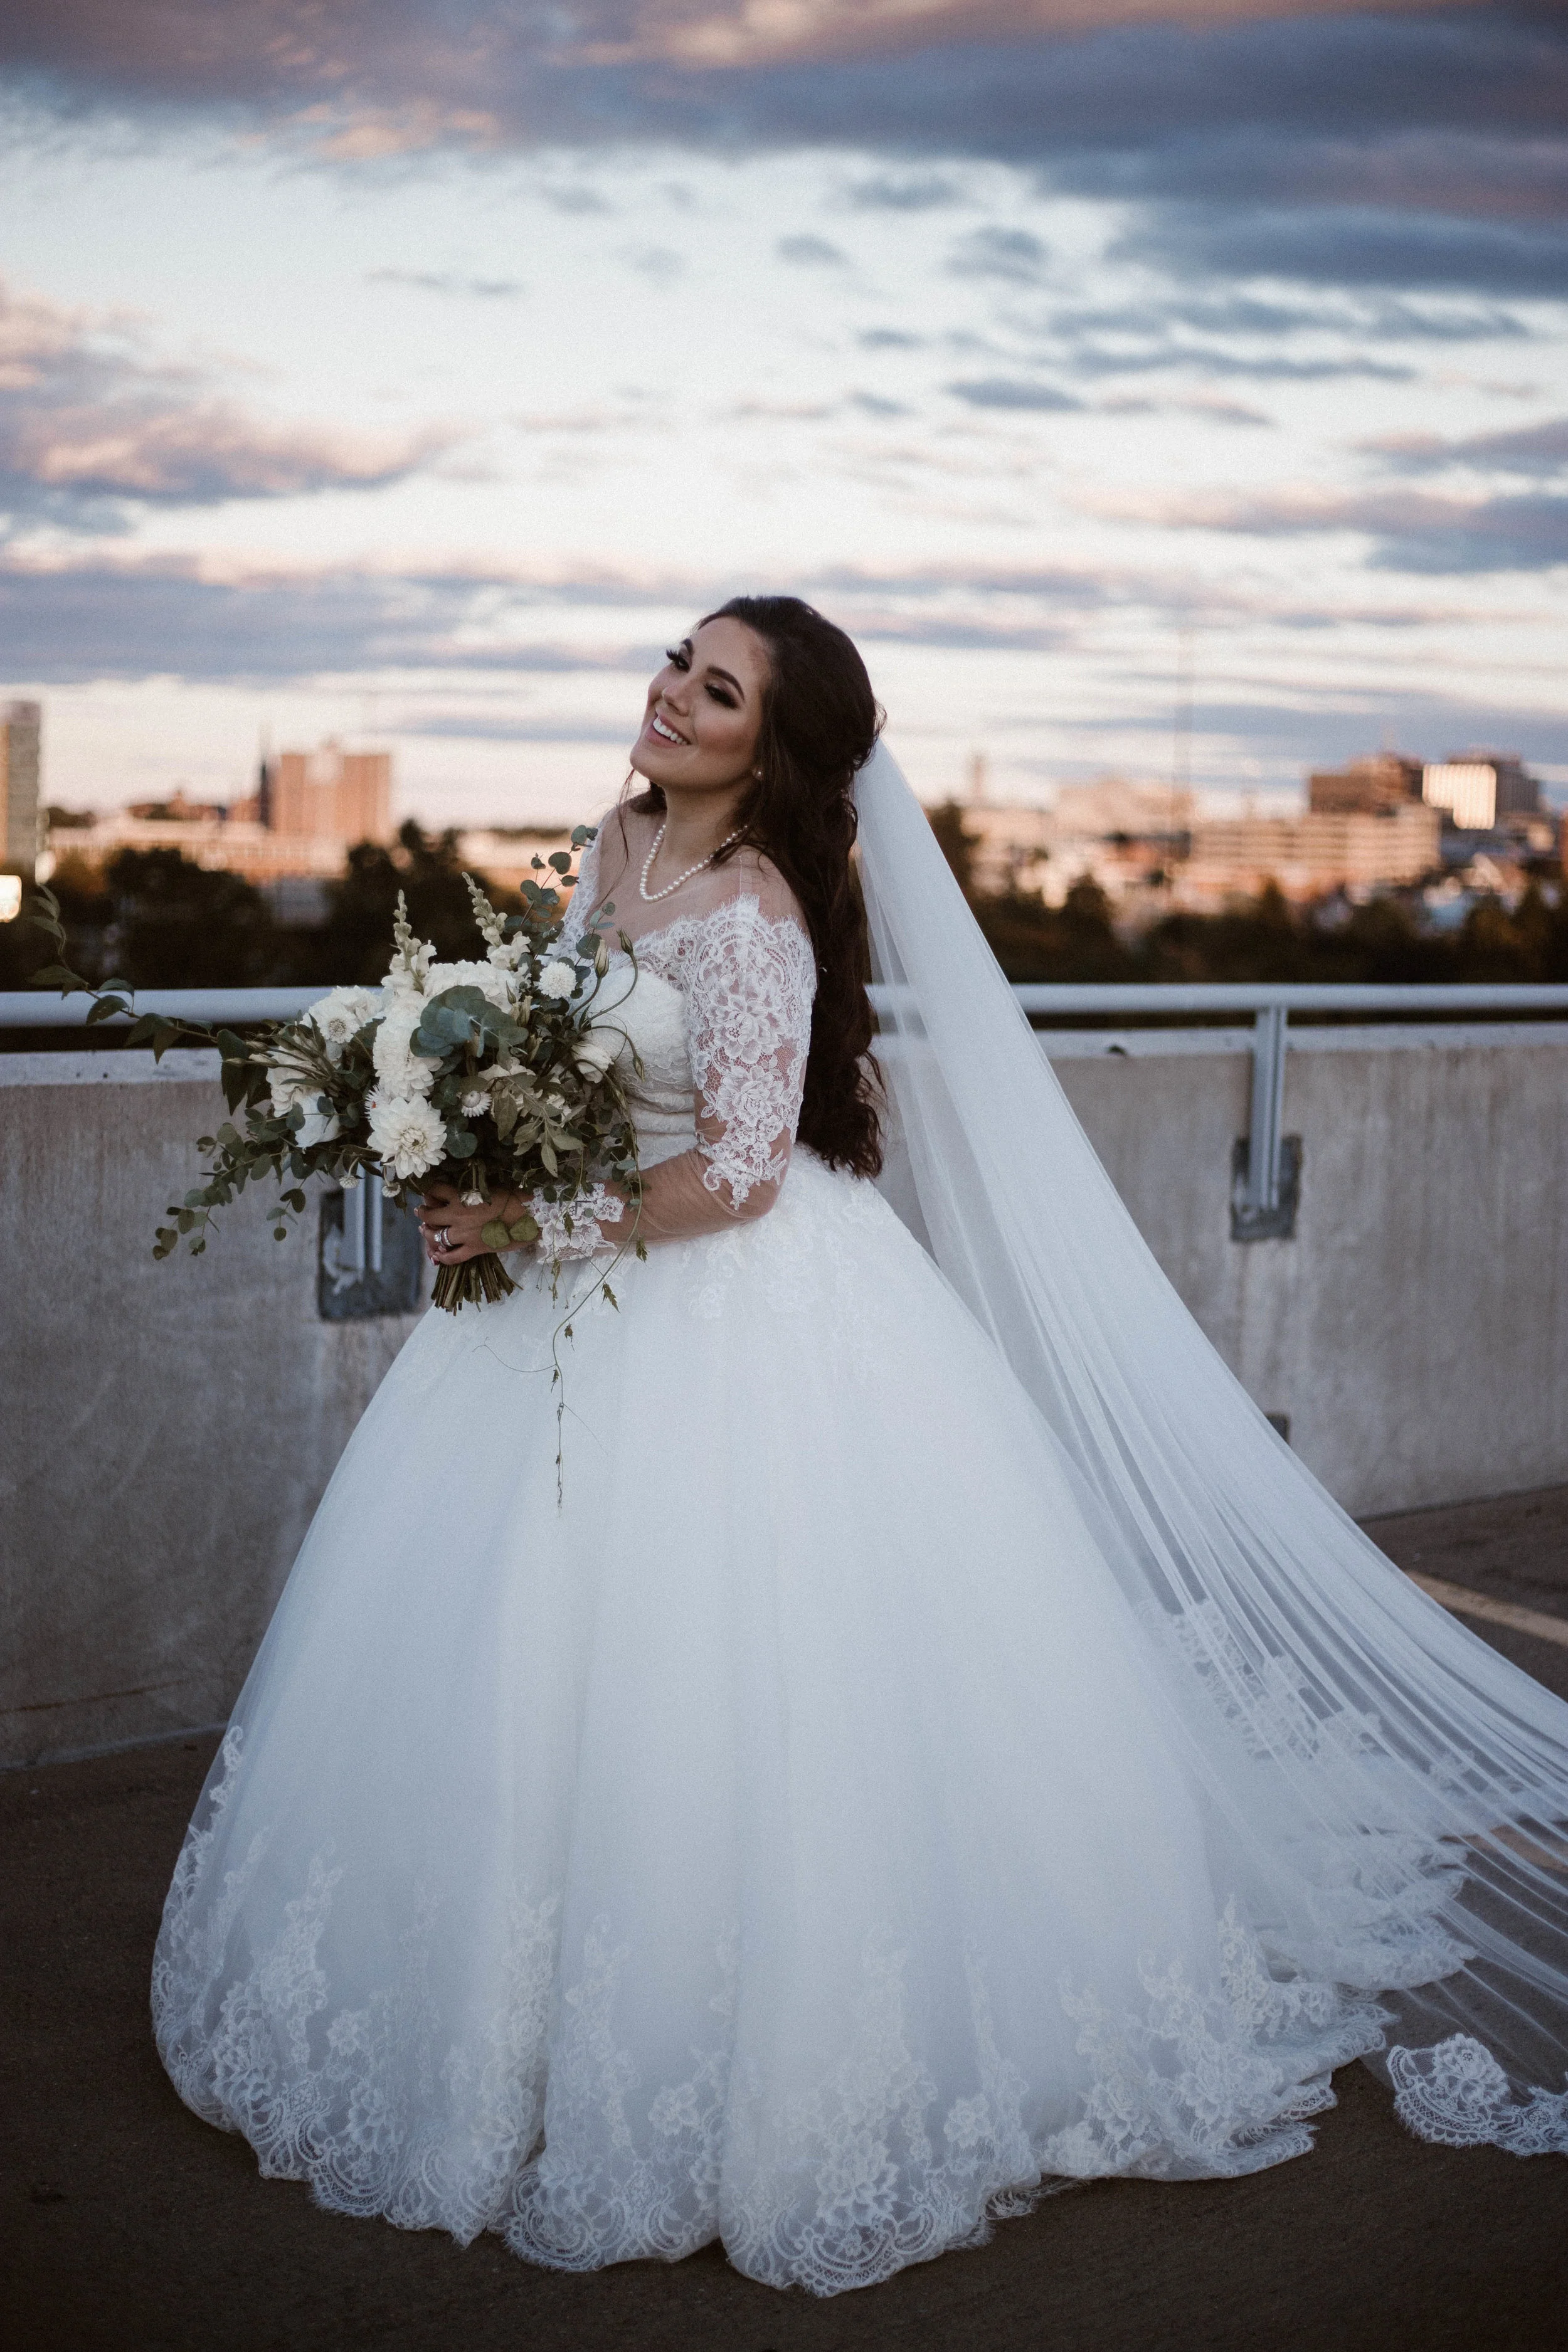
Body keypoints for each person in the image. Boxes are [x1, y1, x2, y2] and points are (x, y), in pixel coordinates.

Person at [153, 598, 1568, 2298]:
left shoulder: (753, 913)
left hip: (725, 1297)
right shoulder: (610, 842)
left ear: (775, 744)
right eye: (676, 660)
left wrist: (531, 1210)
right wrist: (458, 1114)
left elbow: (740, 1173)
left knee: (734, 1675)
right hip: (563, 1302)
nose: (672, 694)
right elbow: (550, 1044)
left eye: (718, 687)